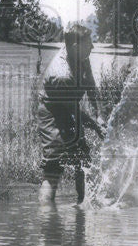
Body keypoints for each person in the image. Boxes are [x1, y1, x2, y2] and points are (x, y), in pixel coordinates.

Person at [36, 24, 106, 204]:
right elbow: (73, 109)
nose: (92, 47)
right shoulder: (61, 75)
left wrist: (100, 115)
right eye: (88, 44)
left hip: (69, 107)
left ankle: (83, 205)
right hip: (52, 114)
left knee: (83, 159)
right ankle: (47, 221)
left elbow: (91, 85)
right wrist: (97, 127)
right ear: (75, 46)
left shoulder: (81, 55)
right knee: (54, 168)